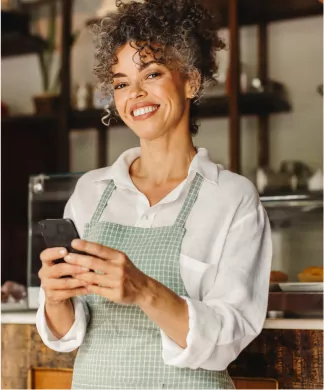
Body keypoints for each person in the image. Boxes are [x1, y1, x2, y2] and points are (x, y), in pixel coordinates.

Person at [36, 0, 272, 389]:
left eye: (153, 73)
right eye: (122, 82)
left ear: (191, 81)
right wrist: (57, 297)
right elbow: (68, 335)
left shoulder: (232, 198)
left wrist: (144, 289)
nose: (136, 94)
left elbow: (230, 337)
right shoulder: (91, 193)